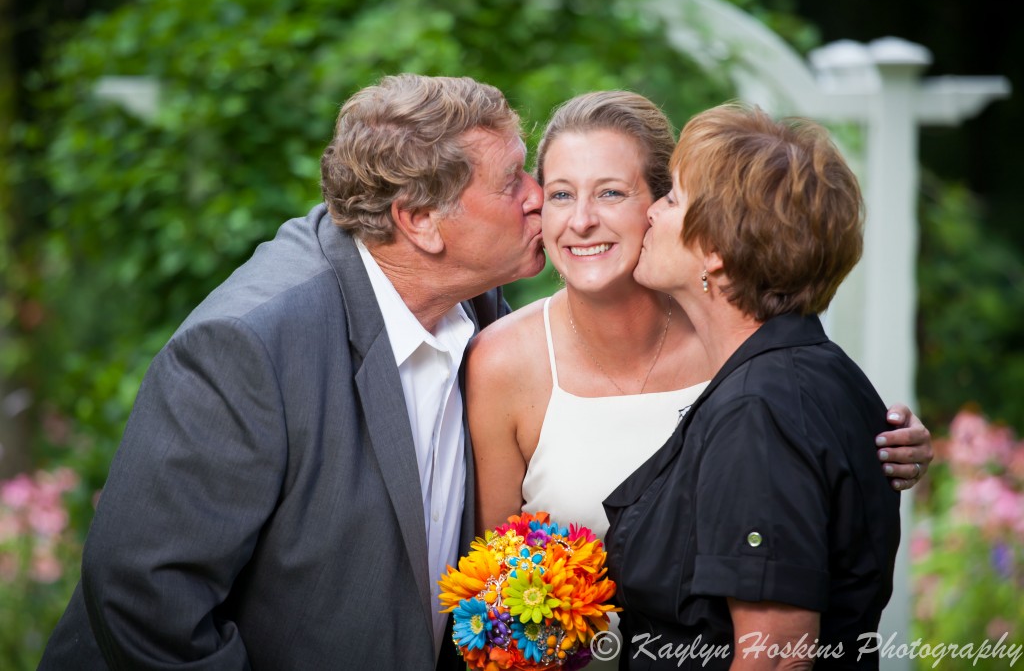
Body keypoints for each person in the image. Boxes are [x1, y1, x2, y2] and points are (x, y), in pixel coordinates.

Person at [39, 74, 545, 671]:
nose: (540, 195)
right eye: (512, 182)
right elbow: (145, 601)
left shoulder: (478, 306)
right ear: (420, 220)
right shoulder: (245, 347)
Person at [466, 91, 931, 669]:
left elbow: (779, 648)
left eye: (613, 192)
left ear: (694, 227)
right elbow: (492, 596)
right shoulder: (500, 362)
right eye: (561, 194)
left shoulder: (749, 371)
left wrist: (887, 442)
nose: (581, 219)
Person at [603, 102, 903, 669]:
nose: (649, 214)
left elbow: (777, 654)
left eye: (671, 199)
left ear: (714, 252)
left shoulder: (758, 411)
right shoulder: (807, 374)